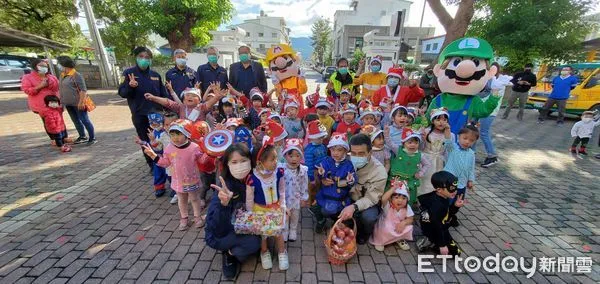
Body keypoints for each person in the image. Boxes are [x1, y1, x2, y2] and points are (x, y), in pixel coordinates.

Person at [205, 143, 261, 280]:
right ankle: (229, 254)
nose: (240, 166)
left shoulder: (255, 180)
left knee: (265, 237)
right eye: (234, 162)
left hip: (245, 225)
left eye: (243, 161)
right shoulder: (225, 188)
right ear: (228, 165)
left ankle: (236, 248)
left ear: (251, 161)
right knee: (254, 244)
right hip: (224, 232)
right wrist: (223, 205)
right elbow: (215, 228)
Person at [142, 119, 205, 230]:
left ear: (186, 134)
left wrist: (210, 152)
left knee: (194, 198)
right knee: (182, 199)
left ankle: (197, 216)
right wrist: (153, 156)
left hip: (192, 180)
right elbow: (165, 163)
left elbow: (202, 160)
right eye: (172, 134)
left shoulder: (194, 147)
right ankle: (184, 217)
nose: (175, 137)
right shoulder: (169, 148)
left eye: (178, 134)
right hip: (178, 180)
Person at [118, 46, 170, 170]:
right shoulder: (129, 74)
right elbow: (122, 93)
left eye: (147, 57)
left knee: (159, 138)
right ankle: (152, 164)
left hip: (156, 114)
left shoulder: (155, 75)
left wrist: (169, 108)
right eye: (141, 57)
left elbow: (164, 94)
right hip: (140, 114)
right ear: (136, 58)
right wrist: (130, 86)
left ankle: (163, 161)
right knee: (145, 139)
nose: (144, 59)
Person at [246, 138, 288, 271]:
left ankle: (282, 251)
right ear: (260, 163)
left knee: (278, 232)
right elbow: (249, 199)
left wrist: (283, 205)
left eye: (276, 158)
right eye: (272, 159)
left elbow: (282, 190)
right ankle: (264, 251)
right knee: (263, 234)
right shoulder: (252, 179)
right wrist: (250, 214)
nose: (276, 162)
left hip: (275, 208)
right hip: (260, 209)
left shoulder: (278, 173)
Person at [340, 134, 388, 244]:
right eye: (353, 153)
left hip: (367, 201)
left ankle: (364, 234)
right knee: (328, 207)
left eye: (361, 153)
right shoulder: (345, 160)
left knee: (369, 217)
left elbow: (371, 198)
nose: (356, 157)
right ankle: (346, 224)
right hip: (348, 196)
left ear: (370, 153)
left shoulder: (379, 172)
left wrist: (353, 207)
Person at [313, 133, 357, 233]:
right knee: (315, 207)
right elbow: (321, 171)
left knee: (333, 210)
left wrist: (350, 179)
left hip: (340, 196)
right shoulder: (326, 161)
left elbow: (353, 179)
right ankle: (321, 220)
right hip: (326, 193)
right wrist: (321, 174)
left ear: (346, 151)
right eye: (333, 149)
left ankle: (336, 221)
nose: (335, 153)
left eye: (339, 150)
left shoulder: (349, 164)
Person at [417, 171, 464, 256]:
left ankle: (434, 240)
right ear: (439, 189)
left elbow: (446, 214)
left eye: (455, 188)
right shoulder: (437, 205)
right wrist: (442, 245)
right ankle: (430, 241)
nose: (455, 191)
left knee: (455, 251)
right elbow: (437, 225)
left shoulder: (443, 197)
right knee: (455, 253)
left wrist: (456, 206)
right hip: (434, 229)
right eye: (451, 188)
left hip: (440, 224)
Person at [384, 127, 430, 205]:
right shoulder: (398, 150)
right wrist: (387, 134)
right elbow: (389, 143)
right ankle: (389, 214)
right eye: (410, 142)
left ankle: (405, 213)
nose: (413, 145)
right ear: (403, 143)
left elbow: (427, 164)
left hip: (410, 181)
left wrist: (421, 173)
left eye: (416, 143)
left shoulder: (420, 155)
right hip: (395, 180)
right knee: (391, 198)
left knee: (407, 200)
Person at [443, 124, 478, 227]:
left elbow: (471, 168)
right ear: (459, 136)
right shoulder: (453, 148)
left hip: (462, 184)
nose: (467, 142)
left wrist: (471, 180)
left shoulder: (471, 153)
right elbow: (448, 141)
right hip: (449, 183)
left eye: (471, 140)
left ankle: (451, 215)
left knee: (458, 203)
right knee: (447, 202)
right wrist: (447, 130)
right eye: (465, 138)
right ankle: (443, 217)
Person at [479, 63, 512, 168]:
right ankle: (471, 152)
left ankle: (492, 156)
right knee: (473, 129)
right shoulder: (489, 80)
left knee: (483, 133)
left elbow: (485, 93)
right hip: (480, 109)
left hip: (489, 111)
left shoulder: (497, 82)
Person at [57, 56, 96, 145]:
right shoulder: (62, 75)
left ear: (64, 64)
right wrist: (62, 103)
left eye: (59, 63)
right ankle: (82, 136)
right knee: (75, 120)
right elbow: (61, 89)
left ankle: (92, 137)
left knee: (84, 120)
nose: (58, 65)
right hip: (68, 103)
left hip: (78, 103)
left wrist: (81, 102)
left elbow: (83, 89)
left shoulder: (76, 75)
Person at [21, 58, 62, 141]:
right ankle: (54, 139)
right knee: (49, 121)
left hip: (54, 103)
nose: (44, 68)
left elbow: (57, 87)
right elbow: (28, 90)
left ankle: (63, 137)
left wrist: (48, 81)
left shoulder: (51, 77)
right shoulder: (27, 77)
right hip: (41, 105)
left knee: (59, 120)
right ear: (35, 66)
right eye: (41, 66)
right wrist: (40, 86)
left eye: (45, 66)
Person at [369, 180, 413, 252]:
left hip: (398, 227)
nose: (400, 201)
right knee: (385, 227)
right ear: (391, 199)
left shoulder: (407, 208)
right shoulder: (388, 206)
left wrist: (403, 223)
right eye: (397, 197)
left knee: (409, 227)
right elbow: (383, 198)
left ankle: (399, 239)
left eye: (404, 198)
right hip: (386, 226)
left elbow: (410, 219)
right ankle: (380, 241)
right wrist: (393, 188)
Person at [279, 139, 308, 241]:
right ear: (285, 156)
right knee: (285, 215)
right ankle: (285, 230)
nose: (294, 159)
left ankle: (293, 230)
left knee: (295, 215)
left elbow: (304, 184)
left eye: (297, 155)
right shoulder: (281, 169)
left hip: (296, 198)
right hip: (284, 198)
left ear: (301, 156)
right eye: (290, 156)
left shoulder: (303, 170)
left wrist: (304, 197)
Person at [135, 112, 168, 197]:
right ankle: (159, 187)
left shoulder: (166, 133)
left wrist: (154, 142)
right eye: (152, 123)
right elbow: (151, 144)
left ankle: (175, 189)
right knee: (158, 173)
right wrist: (142, 142)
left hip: (167, 157)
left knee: (171, 174)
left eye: (157, 123)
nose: (154, 125)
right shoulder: (153, 132)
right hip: (157, 157)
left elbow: (162, 146)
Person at [420, 108, 451, 197]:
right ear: (433, 121)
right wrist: (423, 139)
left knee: (437, 183)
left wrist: (448, 133)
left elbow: (450, 150)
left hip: (439, 163)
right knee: (425, 182)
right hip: (426, 161)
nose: (441, 122)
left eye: (444, 120)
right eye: (438, 119)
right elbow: (420, 148)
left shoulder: (449, 134)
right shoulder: (426, 131)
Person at [145, 87, 221, 122]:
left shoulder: (201, 107)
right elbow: (168, 102)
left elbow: (209, 103)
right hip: (184, 136)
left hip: (199, 137)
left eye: (194, 96)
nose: (190, 97)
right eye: (187, 95)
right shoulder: (181, 107)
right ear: (184, 100)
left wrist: (217, 97)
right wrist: (154, 98)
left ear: (199, 100)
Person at [304, 121, 329, 206]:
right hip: (315, 172)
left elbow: (325, 157)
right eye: (319, 138)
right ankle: (313, 204)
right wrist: (312, 178)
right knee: (314, 189)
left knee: (322, 187)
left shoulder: (322, 146)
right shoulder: (309, 149)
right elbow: (309, 165)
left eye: (322, 138)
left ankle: (321, 201)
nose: (321, 140)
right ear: (312, 138)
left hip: (323, 170)